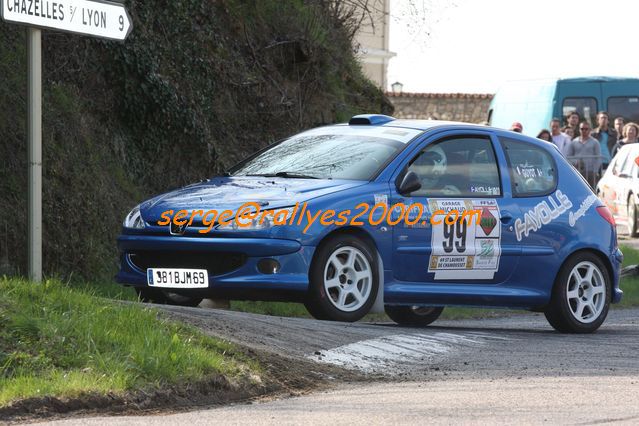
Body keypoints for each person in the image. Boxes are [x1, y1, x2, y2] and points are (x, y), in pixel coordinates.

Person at [564, 121, 601, 188]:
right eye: (582, 129)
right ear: (579, 130)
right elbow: (569, 157)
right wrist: (576, 162)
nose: (584, 130)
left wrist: (595, 171)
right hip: (577, 171)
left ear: (590, 130)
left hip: (590, 172)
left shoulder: (595, 142)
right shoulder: (574, 142)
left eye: (586, 129)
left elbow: (598, 158)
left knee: (591, 190)